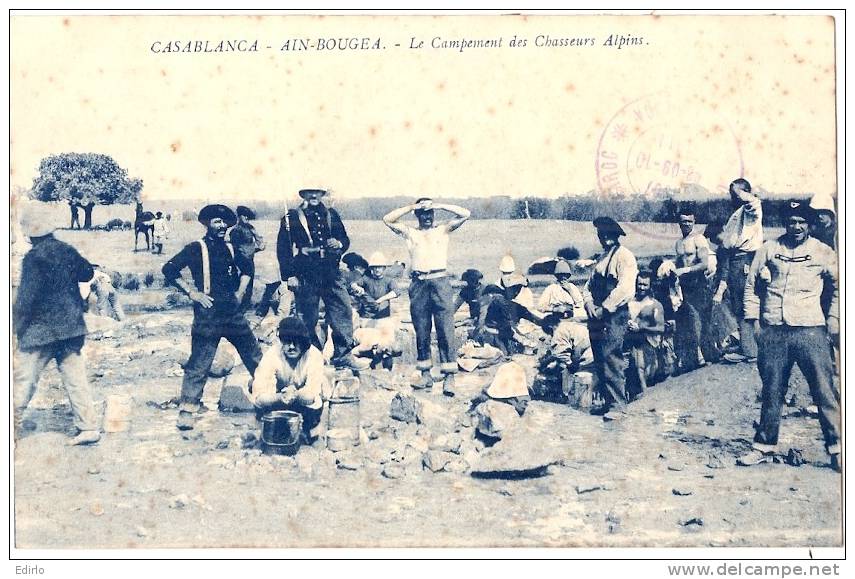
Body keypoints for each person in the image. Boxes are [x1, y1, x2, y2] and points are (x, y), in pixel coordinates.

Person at [738, 201, 841, 472]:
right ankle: (764, 446)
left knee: (823, 390)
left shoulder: (822, 251)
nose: (796, 227)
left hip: (810, 330)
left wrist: (834, 318)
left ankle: (838, 449)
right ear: (785, 223)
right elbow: (750, 286)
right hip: (774, 330)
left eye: (801, 222)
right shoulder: (770, 249)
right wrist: (753, 322)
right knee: (772, 390)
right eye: (791, 221)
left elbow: (841, 286)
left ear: (809, 225)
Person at [162, 204, 263, 431]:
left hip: (232, 312)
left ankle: (270, 399)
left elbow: (248, 269)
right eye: (217, 222)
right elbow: (168, 269)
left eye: (224, 222)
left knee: (255, 356)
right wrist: (193, 293)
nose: (222, 226)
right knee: (199, 362)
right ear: (207, 224)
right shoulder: (196, 248)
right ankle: (187, 410)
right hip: (208, 313)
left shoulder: (231, 248)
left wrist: (239, 294)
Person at [13, 206, 100, 445]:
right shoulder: (67, 250)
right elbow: (86, 273)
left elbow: (26, 298)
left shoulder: (34, 257)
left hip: (40, 331)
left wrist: (16, 327)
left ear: (29, 233)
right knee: (75, 378)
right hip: (71, 328)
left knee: (23, 380)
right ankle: (88, 427)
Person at [383, 197, 471, 396]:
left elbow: (466, 213)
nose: (427, 217)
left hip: (440, 282)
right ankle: (425, 375)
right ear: (417, 215)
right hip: (418, 284)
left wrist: (438, 205)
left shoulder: (443, 229)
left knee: (445, 329)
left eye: (430, 213)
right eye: (423, 213)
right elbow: (387, 219)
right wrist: (412, 206)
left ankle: (449, 377)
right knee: (421, 329)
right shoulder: (410, 233)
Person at [277, 189, 355, 368]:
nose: (313, 196)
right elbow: (284, 249)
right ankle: (311, 357)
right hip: (306, 273)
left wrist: (340, 244)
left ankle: (343, 354)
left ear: (322, 194)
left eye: (317, 193)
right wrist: (289, 275)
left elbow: (344, 238)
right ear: (303, 195)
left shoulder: (331, 214)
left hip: (331, 272)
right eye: (309, 193)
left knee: (342, 310)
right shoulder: (292, 217)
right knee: (308, 318)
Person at [583, 216, 638, 417]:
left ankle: (618, 406)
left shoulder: (625, 257)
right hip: (596, 315)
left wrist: (604, 308)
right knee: (599, 357)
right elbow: (587, 286)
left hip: (614, 315)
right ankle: (608, 402)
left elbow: (625, 289)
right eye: (601, 234)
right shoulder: (601, 258)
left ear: (616, 235)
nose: (604, 238)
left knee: (611, 356)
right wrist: (588, 302)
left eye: (608, 234)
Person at [251, 317, 330, 443]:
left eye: (296, 342)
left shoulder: (313, 355)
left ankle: (310, 430)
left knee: (322, 391)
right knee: (254, 386)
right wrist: (279, 397)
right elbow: (259, 398)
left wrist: (295, 394)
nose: (291, 347)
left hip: (304, 402)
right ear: (281, 341)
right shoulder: (272, 355)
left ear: (303, 342)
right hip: (280, 399)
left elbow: (311, 395)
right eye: (287, 342)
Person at [715, 178, 762, 364]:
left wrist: (741, 192)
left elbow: (754, 204)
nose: (733, 197)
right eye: (731, 194)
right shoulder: (738, 212)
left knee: (745, 304)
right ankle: (746, 344)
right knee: (737, 304)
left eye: (735, 194)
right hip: (735, 259)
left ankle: (750, 350)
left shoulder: (750, 211)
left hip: (744, 259)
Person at [673, 204, 712, 370]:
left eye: (689, 221)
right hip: (685, 285)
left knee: (700, 319)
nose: (686, 224)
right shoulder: (679, 243)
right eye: (683, 222)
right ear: (679, 223)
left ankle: (705, 354)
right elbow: (679, 263)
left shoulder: (699, 239)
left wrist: (685, 270)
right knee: (688, 321)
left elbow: (704, 264)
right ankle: (694, 356)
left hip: (699, 284)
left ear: (694, 221)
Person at [351, 252, 402, 370]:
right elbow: (354, 284)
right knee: (368, 347)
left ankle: (388, 371)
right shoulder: (366, 279)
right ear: (371, 269)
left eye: (379, 267)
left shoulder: (389, 281)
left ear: (384, 268)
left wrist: (381, 300)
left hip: (384, 320)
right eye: (374, 268)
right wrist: (357, 288)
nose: (377, 270)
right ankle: (371, 371)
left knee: (387, 347)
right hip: (367, 319)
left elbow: (396, 292)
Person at [473, 276, 544, 356]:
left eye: (518, 289)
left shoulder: (513, 305)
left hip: (498, 336)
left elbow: (533, 318)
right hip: (495, 338)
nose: (517, 293)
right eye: (515, 289)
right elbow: (505, 327)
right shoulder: (497, 301)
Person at [624, 271, 666, 400]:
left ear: (650, 286)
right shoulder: (629, 303)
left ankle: (647, 395)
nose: (641, 287)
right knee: (637, 368)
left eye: (645, 285)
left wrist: (641, 327)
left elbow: (661, 327)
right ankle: (642, 395)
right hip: (631, 343)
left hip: (649, 342)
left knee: (649, 371)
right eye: (639, 284)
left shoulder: (655, 305)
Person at [229, 205, 265, 311]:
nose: (246, 218)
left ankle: (245, 305)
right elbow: (234, 248)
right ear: (239, 217)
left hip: (249, 259)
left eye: (248, 216)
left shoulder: (251, 228)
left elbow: (259, 241)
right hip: (240, 259)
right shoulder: (236, 230)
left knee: (249, 284)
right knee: (242, 282)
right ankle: (238, 305)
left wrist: (260, 245)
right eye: (244, 216)